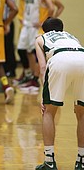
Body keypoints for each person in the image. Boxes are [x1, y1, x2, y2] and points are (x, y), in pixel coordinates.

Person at [35, 18, 84, 170]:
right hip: (82, 59)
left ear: (44, 30)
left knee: (49, 112)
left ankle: (49, 161)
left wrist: (44, 96)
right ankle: (81, 161)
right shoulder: (71, 36)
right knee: (82, 113)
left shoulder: (40, 38)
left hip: (59, 59)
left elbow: (43, 67)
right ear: (61, 29)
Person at [16, 0, 54, 92]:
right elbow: (60, 6)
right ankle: (32, 78)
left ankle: (35, 79)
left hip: (39, 27)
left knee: (38, 54)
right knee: (30, 52)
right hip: (31, 25)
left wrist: (46, 22)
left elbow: (52, 8)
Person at [0, 0, 17, 78]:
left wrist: (7, 23)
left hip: (7, 22)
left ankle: (11, 69)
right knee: (1, 47)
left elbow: (14, 10)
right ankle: (3, 69)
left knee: (8, 46)